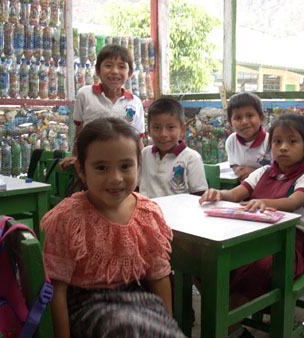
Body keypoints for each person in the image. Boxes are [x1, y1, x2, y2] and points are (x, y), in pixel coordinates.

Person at [41, 117, 185, 338]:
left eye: (126, 166)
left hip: (137, 299)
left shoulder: (149, 213)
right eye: (101, 168)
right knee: (125, 328)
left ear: (138, 164)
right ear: (81, 170)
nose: (116, 178)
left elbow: (158, 276)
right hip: (84, 304)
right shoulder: (68, 218)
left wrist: (168, 324)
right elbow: (56, 289)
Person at [199, 113, 304, 338]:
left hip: (285, 248)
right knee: (205, 259)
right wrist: (218, 194)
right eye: (277, 142)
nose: (283, 147)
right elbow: (235, 194)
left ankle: (225, 325)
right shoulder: (264, 171)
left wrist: (263, 203)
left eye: (292, 142)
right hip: (250, 238)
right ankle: (231, 326)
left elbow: (294, 202)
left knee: (258, 267)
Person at [59, 44, 145, 170]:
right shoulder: (85, 94)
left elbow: (138, 140)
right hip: (94, 163)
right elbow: (80, 130)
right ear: (98, 70)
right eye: (108, 65)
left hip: (124, 165)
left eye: (121, 67)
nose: (115, 71)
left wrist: (144, 164)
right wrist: (74, 155)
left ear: (130, 73)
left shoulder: (135, 102)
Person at [138, 98, 208, 198]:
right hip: (147, 211)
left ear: (182, 130)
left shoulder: (191, 158)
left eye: (170, 127)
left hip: (178, 212)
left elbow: (199, 195)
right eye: (157, 127)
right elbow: (135, 187)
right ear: (149, 130)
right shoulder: (145, 154)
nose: (163, 134)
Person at [225, 92, 271, 181]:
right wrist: (237, 170)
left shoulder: (271, 142)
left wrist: (255, 173)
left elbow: (279, 170)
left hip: (268, 188)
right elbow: (233, 164)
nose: (244, 122)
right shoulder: (231, 141)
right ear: (230, 123)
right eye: (238, 118)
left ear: (261, 119)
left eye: (250, 115)